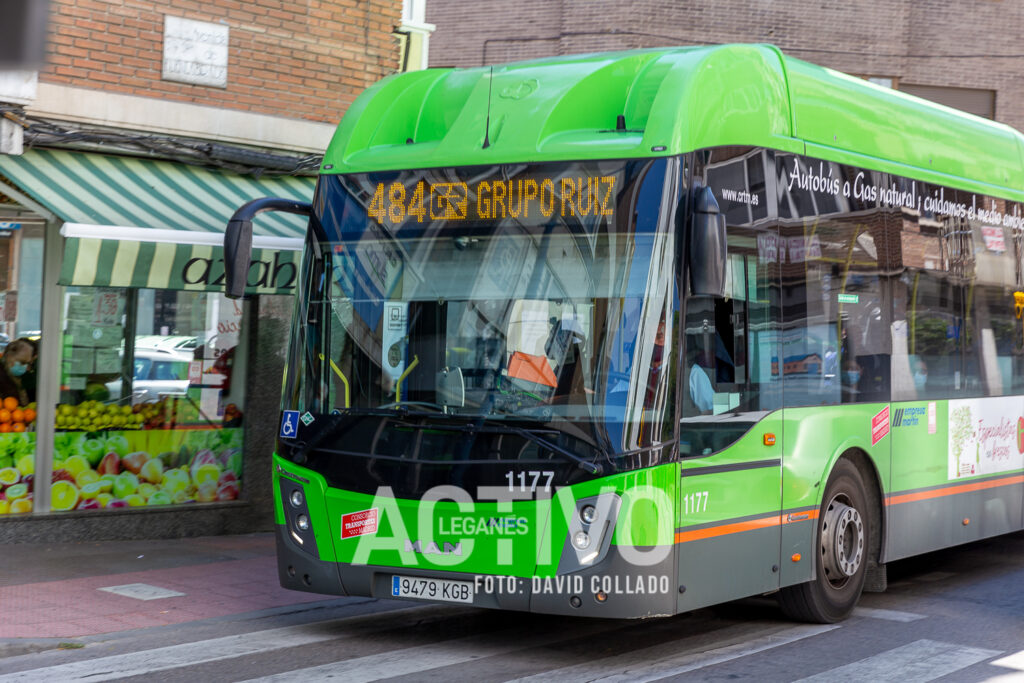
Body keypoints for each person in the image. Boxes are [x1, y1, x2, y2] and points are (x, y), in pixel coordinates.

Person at [0, 338, 36, 406]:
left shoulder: (19, 378)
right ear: (9, 357)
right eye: (22, 363)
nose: (27, 368)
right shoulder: (3, 377)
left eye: (28, 364)